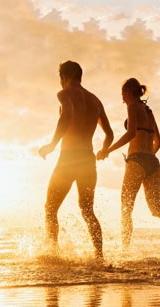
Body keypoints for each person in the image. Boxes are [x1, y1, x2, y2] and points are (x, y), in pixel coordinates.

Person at [96, 78, 160, 254]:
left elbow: (131, 133)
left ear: (128, 92)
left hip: (137, 161)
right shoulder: (148, 110)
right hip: (154, 163)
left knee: (126, 208)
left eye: (122, 95)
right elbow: (159, 142)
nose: (122, 99)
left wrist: (108, 150)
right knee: (156, 208)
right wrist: (148, 159)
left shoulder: (132, 106)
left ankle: (124, 250)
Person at [39, 61, 113, 261]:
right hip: (88, 160)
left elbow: (69, 114)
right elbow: (110, 134)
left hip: (69, 159)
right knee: (88, 211)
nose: (61, 83)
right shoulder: (95, 101)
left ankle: (53, 254)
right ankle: (99, 257)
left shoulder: (65, 93)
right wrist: (104, 149)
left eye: (60, 78)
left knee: (50, 208)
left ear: (65, 76)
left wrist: (52, 144)